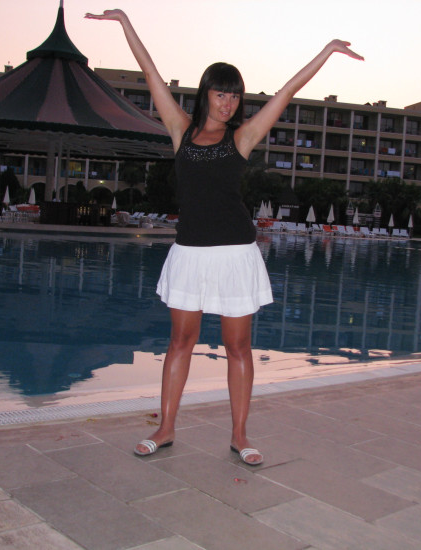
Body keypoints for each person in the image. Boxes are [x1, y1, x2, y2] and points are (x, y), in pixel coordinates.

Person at [86, 9, 363, 465]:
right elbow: (150, 73)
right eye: (221, 94)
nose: (228, 103)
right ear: (206, 94)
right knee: (180, 342)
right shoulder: (181, 130)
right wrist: (124, 22)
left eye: (235, 96)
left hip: (235, 254)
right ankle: (166, 427)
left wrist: (327, 52)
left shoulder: (243, 137)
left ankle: (239, 434)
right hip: (190, 253)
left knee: (237, 347)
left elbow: (287, 92)